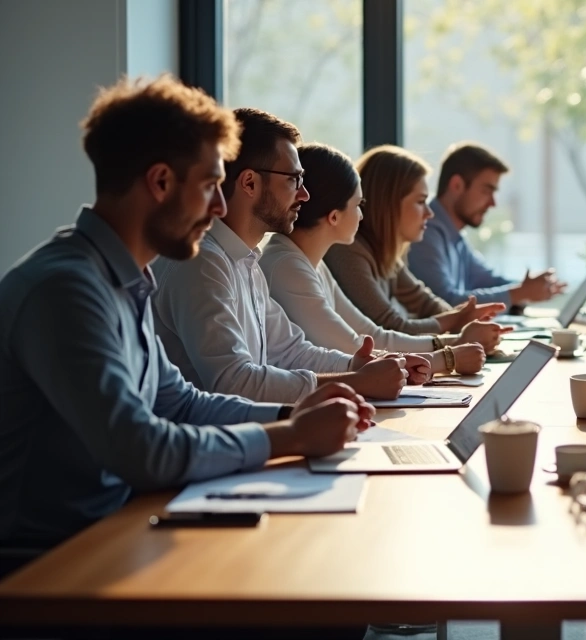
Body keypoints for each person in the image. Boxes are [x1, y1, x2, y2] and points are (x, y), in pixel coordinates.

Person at [0, 76, 372, 550]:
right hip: (47, 565)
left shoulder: (123, 280)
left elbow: (180, 404)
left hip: (113, 531)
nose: (220, 206)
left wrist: (290, 412)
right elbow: (141, 450)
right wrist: (289, 436)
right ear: (160, 183)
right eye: (211, 186)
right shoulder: (65, 290)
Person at [152, 108, 430, 404]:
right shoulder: (203, 263)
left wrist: (361, 366)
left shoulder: (245, 261)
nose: (304, 195)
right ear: (249, 183)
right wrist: (356, 382)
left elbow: (289, 352)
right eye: (294, 180)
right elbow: (233, 381)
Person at [260, 143, 488, 376]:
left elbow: (371, 334)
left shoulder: (311, 263)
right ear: (334, 216)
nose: (362, 215)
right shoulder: (287, 266)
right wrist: (446, 356)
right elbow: (353, 348)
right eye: (359, 205)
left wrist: (453, 343)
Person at [323, 144, 509, 351]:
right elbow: (391, 327)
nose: (429, 213)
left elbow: (426, 303)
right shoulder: (348, 250)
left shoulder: (386, 254)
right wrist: (456, 324)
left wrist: (465, 320)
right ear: (389, 204)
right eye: (421, 201)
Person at [406, 141, 566, 308]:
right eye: (486, 191)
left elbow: (488, 281)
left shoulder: (454, 236)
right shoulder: (425, 232)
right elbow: (445, 303)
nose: (492, 203)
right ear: (457, 185)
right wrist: (520, 293)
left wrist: (529, 289)